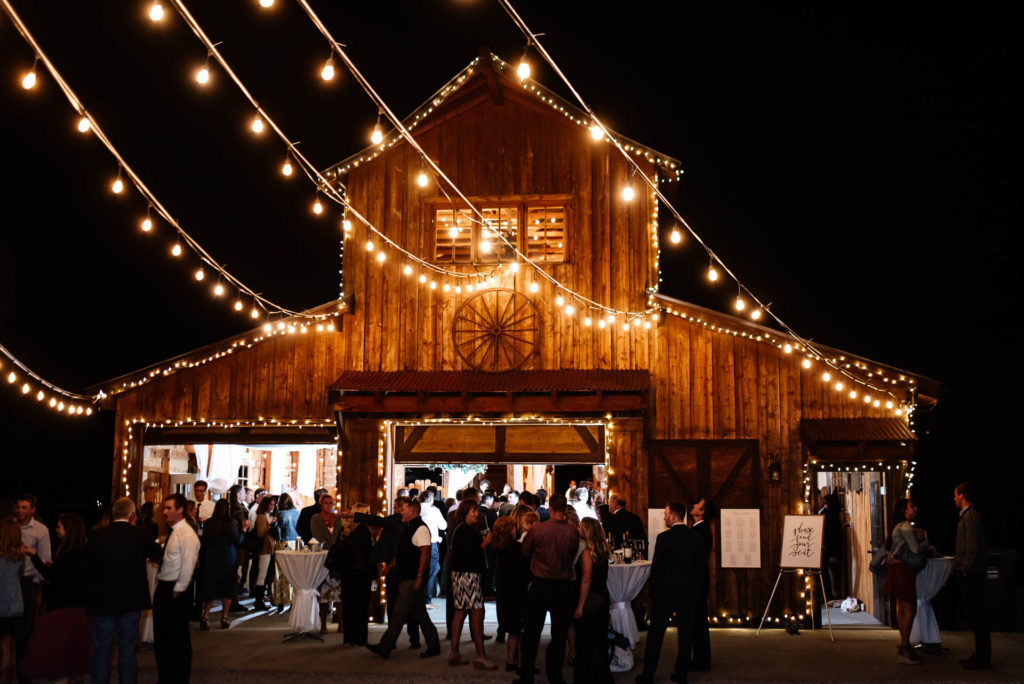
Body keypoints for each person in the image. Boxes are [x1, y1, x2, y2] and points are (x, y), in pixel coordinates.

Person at [85, 497, 162, 684]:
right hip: (131, 600)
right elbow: (159, 556)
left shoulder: (97, 536)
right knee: (127, 649)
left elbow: (88, 568)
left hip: (103, 600)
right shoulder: (141, 535)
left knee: (102, 650)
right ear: (132, 515)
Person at [637, 501, 704, 684]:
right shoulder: (696, 538)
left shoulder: (663, 538)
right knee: (685, 637)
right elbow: (701, 569)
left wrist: (654, 593)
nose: (664, 517)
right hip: (689, 594)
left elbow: (657, 569)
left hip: (665, 594)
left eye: (666, 514)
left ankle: (648, 675)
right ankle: (681, 674)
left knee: (655, 637)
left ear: (674, 515)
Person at [366, 499, 441, 659]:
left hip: (411, 578)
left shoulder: (420, 528)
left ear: (413, 511)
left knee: (398, 613)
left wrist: (419, 578)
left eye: (403, 509)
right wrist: (391, 565)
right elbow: (404, 553)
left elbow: (425, 554)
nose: (400, 511)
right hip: (407, 576)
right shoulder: (408, 528)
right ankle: (434, 644)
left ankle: (384, 646)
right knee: (420, 614)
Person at [20, 513, 90, 681]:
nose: (56, 531)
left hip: (63, 610)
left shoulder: (66, 556)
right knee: (73, 653)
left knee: (56, 653)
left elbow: (49, 576)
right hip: (81, 610)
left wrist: (33, 555)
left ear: (68, 530)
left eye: (59, 527)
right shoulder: (84, 552)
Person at [519, 493, 579, 684]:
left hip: (540, 584)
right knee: (559, 634)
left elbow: (525, 551)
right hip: (563, 585)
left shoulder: (538, 529)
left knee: (531, 632)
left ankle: (527, 675)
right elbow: (571, 556)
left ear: (550, 508)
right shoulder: (572, 532)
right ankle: (555, 676)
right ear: (565, 508)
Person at [154, 493, 201, 684]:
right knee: (163, 636)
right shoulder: (175, 532)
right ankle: (166, 676)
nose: (164, 512)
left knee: (177, 637)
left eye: (169, 508)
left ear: (180, 510)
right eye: (164, 508)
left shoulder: (187, 535)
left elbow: (189, 564)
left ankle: (178, 678)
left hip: (175, 590)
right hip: (166, 586)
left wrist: (179, 588)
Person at [447, 500, 496, 670]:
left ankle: (454, 652)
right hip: (469, 576)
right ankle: (480, 655)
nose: (477, 514)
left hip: (459, 575)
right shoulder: (467, 531)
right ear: (466, 512)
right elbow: (474, 552)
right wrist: (486, 541)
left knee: (460, 612)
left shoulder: (459, 529)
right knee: (477, 613)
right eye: (474, 511)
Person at [953, 482, 990, 670]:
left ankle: (983, 657)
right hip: (970, 571)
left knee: (977, 615)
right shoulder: (967, 517)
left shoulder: (971, 517)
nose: (954, 499)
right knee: (974, 615)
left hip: (972, 573)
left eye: (955, 495)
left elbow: (973, 547)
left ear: (962, 496)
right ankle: (979, 654)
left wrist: (965, 569)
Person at [888, 498, 928, 664]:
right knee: (909, 608)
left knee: (903, 607)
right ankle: (905, 646)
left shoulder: (899, 527)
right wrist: (925, 539)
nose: (915, 509)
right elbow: (915, 550)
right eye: (912, 507)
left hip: (898, 569)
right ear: (904, 511)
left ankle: (904, 644)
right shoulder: (905, 526)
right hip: (903, 570)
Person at [573, 518, 613, 684]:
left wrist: (580, 606)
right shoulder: (603, 550)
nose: (578, 528)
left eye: (581, 526)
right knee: (599, 639)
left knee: (587, 641)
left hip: (590, 601)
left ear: (587, 530)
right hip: (602, 598)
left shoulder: (587, 553)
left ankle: (589, 677)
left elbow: (586, 580)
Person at [13, 494, 48, 674]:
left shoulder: (40, 530)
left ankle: (22, 667)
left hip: (27, 581)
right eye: (18, 507)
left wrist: (36, 586)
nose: (20, 510)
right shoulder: (10, 527)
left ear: (33, 509)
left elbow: (44, 558)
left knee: (24, 626)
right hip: (9, 580)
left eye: (24, 507)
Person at [198, 499, 244, 630]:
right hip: (228, 554)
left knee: (211, 584)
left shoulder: (209, 523)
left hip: (212, 554)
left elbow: (204, 540)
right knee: (228, 585)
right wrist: (244, 531)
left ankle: (205, 616)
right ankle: (224, 617)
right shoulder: (231, 522)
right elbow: (237, 540)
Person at [492, 515, 529, 672]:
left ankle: (510, 660)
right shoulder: (516, 548)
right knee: (522, 630)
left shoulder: (498, 547)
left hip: (504, 591)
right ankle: (522, 663)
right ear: (510, 530)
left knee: (513, 631)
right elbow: (525, 571)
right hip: (518, 592)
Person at [338, 503, 374, 645]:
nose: (370, 514)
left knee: (349, 605)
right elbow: (369, 554)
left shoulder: (346, 530)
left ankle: (349, 637)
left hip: (348, 573)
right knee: (361, 607)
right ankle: (360, 638)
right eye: (368, 512)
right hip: (361, 573)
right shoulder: (364, 531)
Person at [689, 497, 716, 671]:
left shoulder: (701, 531)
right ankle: (700, 659)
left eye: (697, 505)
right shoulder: (699, 529)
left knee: (697, 623)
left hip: (695, 582)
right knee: (697, 623)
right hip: (697, 581)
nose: (693, 505)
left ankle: (701, 661)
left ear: (701, 512)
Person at [310, 494, 342, 634]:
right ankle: (323, 624)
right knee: (323, 595)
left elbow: (339, 536)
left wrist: (335, 548)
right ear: (321, 505)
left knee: (339, 595)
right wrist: (330, 546)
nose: (328, 505)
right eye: (326, 503)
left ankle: (341, 623)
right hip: (323, 560)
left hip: (336, 560)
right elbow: (318, 537)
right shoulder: (315, 519)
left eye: (331, 503)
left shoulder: (338, 519)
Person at [0, 519, 26, 684]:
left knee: (4, 652)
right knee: (13, 649)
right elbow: (20, 576)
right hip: (16, 605)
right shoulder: (19, 556)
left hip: (1, 605)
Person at [419, 490, 447, 608]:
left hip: (418, 544)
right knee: (432, 571)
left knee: (420, 571)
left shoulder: (417, 509)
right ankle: (427, 600)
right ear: (431, 500)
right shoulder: (434, 510)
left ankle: (419, 598)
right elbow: (443, 525)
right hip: (431, 543)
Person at [272, 493, 300, 610]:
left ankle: (280, 601)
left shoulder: (280, 514)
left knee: (279, 572)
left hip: (283, 543)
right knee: (294, 572)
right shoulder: (298, 513)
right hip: (296, 543)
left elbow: (278, 529)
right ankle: (293, 600)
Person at [252, 496, 277, 611]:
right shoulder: (262, 517)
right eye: (271, 504)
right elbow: (261, 533)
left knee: (266, 574)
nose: (272, 506)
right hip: (264, 549)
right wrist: (270, 525)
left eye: (273, 504)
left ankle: (260, 599)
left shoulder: (268, 516)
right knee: (262, 574)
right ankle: (258, 600)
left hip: (270, 548)